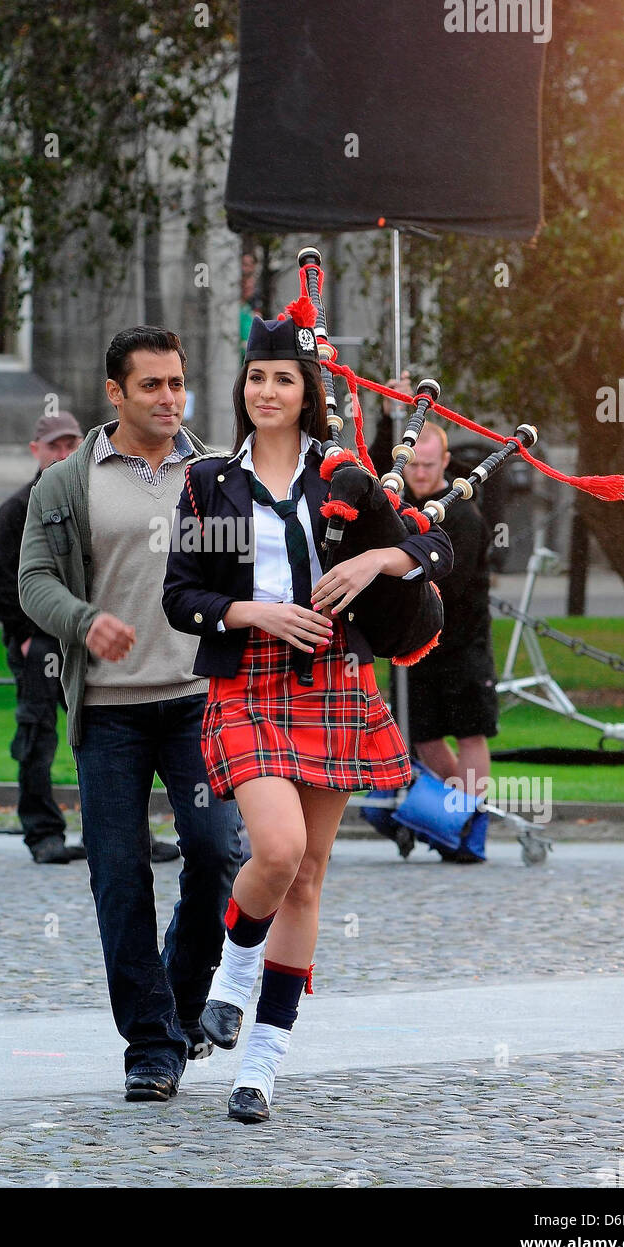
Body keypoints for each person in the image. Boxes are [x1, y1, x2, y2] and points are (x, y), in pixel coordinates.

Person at [162, 309, 453, 1123]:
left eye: (282, 378)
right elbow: (181, 599)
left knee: (311, 876)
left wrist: (372, 556)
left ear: (307, 391)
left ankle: (261, 1064)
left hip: (331, 683)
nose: (266, 390)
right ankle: (230, 975)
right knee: (279, 850)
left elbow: (436, 553)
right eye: (256, 377)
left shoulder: (344, 477)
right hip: (246, 685)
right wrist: (255, 613)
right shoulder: (209, 482)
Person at [18, 327, 241, 1103]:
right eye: (152, 386)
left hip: (197, 704)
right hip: (109, 714)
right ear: (115, 393)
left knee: (216, 856)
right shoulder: (69, 484)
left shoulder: (216, 474)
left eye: (177, 383)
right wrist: (82, 620)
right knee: (120, 878)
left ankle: (179, 1010)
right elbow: (33, 581)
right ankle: (150, 1046)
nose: (170, 399)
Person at [370, 378, 497, 802]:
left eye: (428, 465)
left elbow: (449, 583)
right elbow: (372, 474)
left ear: (446, 461)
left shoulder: (462, 515)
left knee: (470, 734)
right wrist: (389, 417)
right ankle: (453, 811)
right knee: (421, 738)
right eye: (413, 466)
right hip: (416, 644)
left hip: (462, 643)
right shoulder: (401, 504)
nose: (420, 474)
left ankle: (469, 818)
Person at [0, 413, 83, 864]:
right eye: (54, 447)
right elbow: (3, 582)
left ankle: (124, 836)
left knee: (113, 740)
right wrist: (25, 638)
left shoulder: (93, 497)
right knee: (37, 737)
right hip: (41, 642)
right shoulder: (17, 509)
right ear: (37, 451)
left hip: (86, 638)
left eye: (71, 446)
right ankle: (42, 832)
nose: (63, 455)